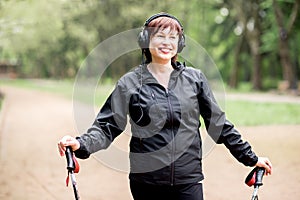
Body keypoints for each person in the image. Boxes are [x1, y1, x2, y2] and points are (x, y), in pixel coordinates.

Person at [58, 12, 272, 200]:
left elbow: (219, 124)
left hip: (188, 181)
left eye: (173, 37)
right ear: (146, 40)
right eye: (160, 36)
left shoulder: (195, 79)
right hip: (146, 183)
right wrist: (81, 143)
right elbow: (107, 127)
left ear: (179, 43)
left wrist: (251, 158)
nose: (166, 42)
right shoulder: (129, 83)